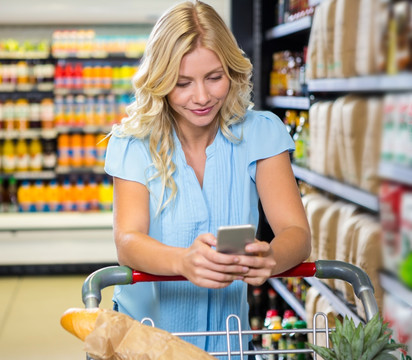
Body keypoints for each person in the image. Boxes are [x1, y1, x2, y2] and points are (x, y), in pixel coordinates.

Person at [103, 1, 311, 358]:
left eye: (214, 77)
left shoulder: (260, 134)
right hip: (147, 342)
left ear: (231, 71)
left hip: (227, 342)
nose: (201, 97)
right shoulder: (133, 142)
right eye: (182, 83)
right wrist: (183, 261)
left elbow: (297, 233)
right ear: (160, 81)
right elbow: (127, 240)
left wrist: (270, 258)